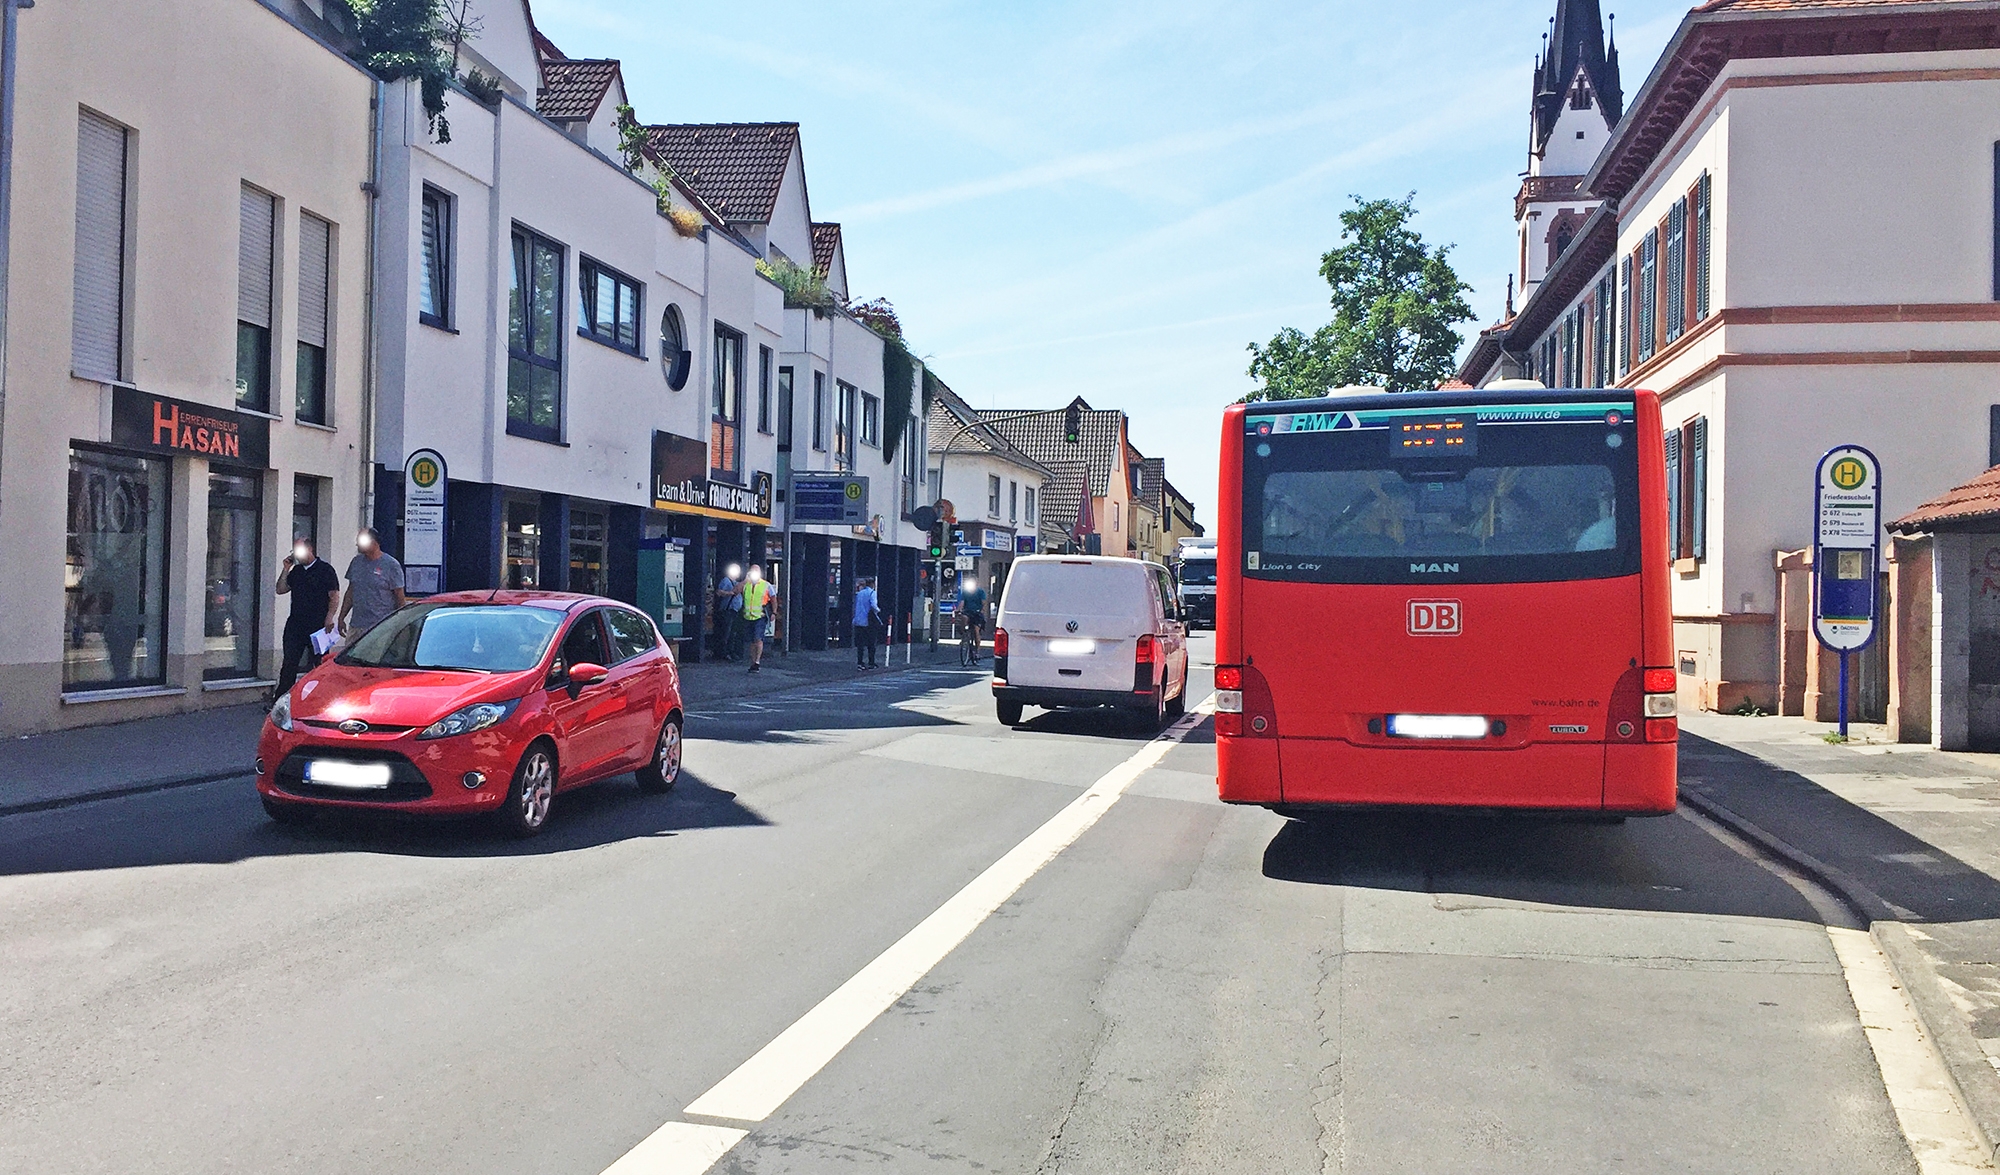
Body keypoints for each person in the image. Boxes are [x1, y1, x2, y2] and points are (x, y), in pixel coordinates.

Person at [274, 536, 340, 695]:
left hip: (317, 626)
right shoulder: (296, 571)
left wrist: (329, 617)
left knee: (319, 664)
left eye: (299, 550)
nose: (296, 554)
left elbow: (334, 595)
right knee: (289, 663)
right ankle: (281, 699)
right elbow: (281, 589)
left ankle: (320, 697)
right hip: (296, 625)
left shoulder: (325, 570)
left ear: (309, 549)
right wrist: (285, 569)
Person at [339, 527, 407, 639]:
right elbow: (351, 592)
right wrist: (341, 617)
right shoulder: (356, 562)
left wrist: (400, 625)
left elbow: (400, 598)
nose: (357, 544)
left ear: (374, 541)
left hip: (380, 626)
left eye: (361, 541)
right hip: (357, 625)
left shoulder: (391, 565)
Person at [742, 564, 775, 673]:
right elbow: (736, 591)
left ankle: (757, 661)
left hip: (760, 616)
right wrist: (745, 580)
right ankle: (753, 662)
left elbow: (773, 598)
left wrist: (774, 612)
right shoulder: (746, 584)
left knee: (758, 638)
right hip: (748, 616)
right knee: (752, 641)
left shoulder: (766, 585)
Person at [713, 565, 743, 661]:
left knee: (732, 633)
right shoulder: (726, 581)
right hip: (728, 611)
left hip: (735, 611)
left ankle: (731, 651)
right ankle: (724, 653)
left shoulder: (736, 582)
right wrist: (729, 593)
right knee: (726, 632)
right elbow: (719, 592)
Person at [853, 576, 882, 669]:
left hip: (858, 620)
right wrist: (878, 610)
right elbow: (873, 605)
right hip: (869, 621)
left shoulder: (859, 593)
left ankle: (860, 662)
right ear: (873, 584)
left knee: (860, 644)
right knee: (871, 643)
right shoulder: (872, 593)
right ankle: (871, 662)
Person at [958, 579, 988, 665]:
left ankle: (977, 652)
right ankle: (964, 634)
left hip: (977, 612)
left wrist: (982, 610)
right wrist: (959, 609)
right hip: (968, 611)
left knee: (976, 630)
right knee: (963, 617)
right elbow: (962, 602)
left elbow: (983, 602)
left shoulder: (980, 592)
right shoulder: (965, 592)